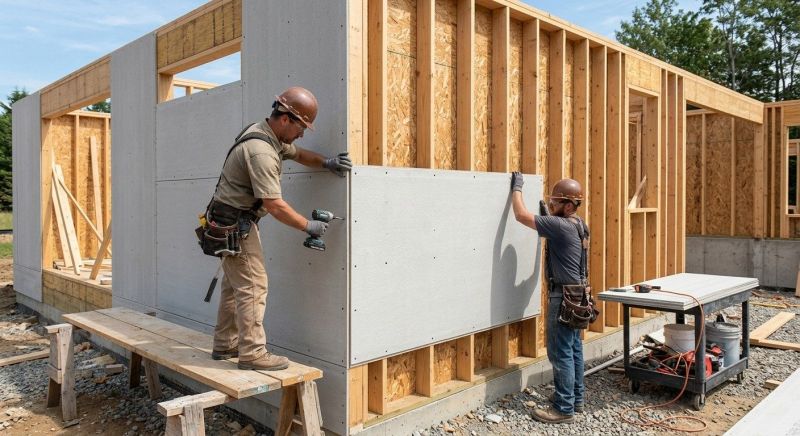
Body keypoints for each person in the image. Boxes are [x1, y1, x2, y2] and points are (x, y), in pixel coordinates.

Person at [208, 87, 352, 371]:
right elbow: (274, 205)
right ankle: (252, 353)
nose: (303, 133)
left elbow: (298, 154)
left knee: (233, 286)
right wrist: (308, 226)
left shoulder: (265, 133)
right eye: (302, 126)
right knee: (252, 286)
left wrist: (326, 162)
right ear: (286, 118)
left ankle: (226, 344)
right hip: (236, 224)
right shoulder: (261, 151)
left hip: (226, 219)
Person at [510, 173, 589, 424]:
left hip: (563, 297)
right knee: (574, 348)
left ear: (568, 205)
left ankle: (563, 409)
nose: (552, 206)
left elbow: (521, 215)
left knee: (560, 352)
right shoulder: (579, 224)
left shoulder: (560, 225)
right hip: (579, 295)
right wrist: (548, 214)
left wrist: (517, 188)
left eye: (556, 203)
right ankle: (575, 400)